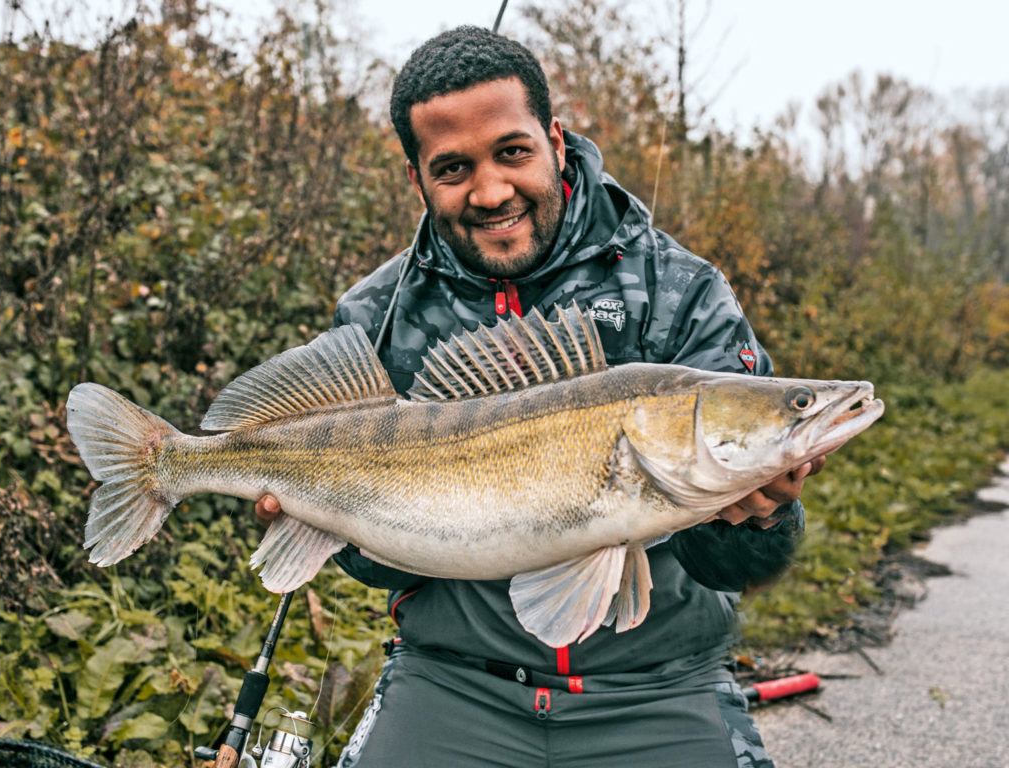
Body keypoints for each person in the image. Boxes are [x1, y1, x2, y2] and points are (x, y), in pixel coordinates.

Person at [256, 25, 824, 768]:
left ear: (555, 140)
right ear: (415, 178)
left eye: (512, 152)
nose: (491, 191)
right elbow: (379, 568)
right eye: (453, 167)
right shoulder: (378, 315)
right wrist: (325, 518)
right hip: (453, 685)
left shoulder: (678, 291)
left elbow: (744, 568)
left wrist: (763, 514)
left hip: (657, 689)